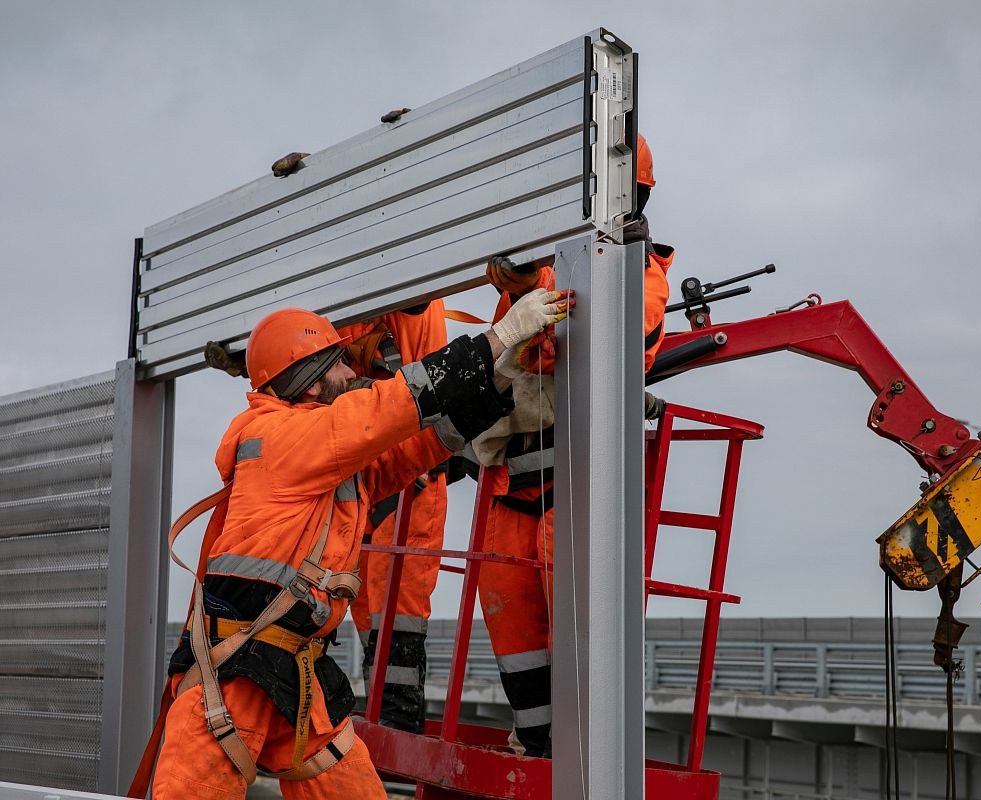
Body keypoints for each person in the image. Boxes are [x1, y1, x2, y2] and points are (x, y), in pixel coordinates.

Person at [148, 288, 570, 799]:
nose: (352, 374)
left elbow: (418, 449)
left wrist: (501, 374)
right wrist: (496, 337)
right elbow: (388, 407)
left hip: (292, 671)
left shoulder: (325, 453)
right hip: (233, 678)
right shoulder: (282, 436)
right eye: (338, 365)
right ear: (305, 378)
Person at [469, 132, 673, 757]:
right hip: (514, 494)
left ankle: (588, 760)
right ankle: (536, 745)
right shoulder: (536, 275)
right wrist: (523, 287)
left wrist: (532, 295)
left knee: (584, 642)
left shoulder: (640, 274)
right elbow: (505, 353)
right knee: (517, 641)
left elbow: (606, 343)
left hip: (576, 491)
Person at [340, 301, 454, 733]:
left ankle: (397, 716)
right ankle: (382, 713)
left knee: (396, 607)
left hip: (412, 473)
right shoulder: (348, 306)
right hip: (368, 470)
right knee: (368, 609)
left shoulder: (405, 295)